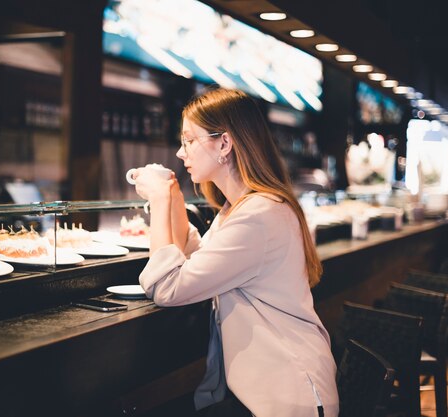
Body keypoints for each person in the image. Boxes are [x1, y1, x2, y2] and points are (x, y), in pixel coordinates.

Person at [131, 88, 338, 417]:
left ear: (224, 144)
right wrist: (171, 196)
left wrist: (156, 201)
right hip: (268, 391)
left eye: (189, 141)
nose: (181, 153)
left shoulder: (258, 215)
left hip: (288, 396)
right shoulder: (241, 208)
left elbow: (166, 287)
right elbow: (201, 260)